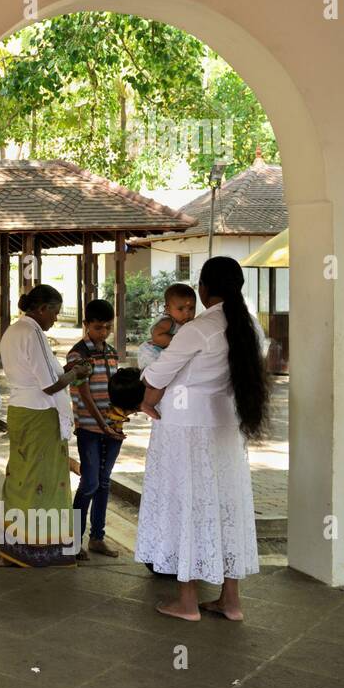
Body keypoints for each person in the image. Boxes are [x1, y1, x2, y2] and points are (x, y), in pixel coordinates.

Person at [136, 256, 269, 621]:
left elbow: (159, 372)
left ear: (205, 288)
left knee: (187, 504)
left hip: (184, 430)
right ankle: (231, 601)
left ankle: (188, 601)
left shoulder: (200, 328)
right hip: (226, 428)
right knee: (225, 507)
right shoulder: (250, 327)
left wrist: (147, 394)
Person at [0, 284, 93, 568]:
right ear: (41, 309)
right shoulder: (33, 332)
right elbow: (50, 385)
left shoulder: (12, 331)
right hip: (40, 415)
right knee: (46, 482)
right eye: (54, 312)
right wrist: (76, 372)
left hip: (20, 411)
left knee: (21, 479)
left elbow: (40, 375)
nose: (56, 319)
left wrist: (68, 373)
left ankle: (14, 549)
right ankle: (43, 550)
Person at [68, 299, 123, 560]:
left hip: (113, 427)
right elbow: (84, 394)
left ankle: (97, 538)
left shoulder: (111, 352)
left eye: (108, 327)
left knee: (103, 483)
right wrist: (103, 424)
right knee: (89, 483)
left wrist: (121, 416)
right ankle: (73, 541)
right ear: (86, 325)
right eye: (99, 327)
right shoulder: (78, 355)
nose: (104, 332)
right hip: (90, 428)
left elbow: (116, 389)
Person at [136, 283, 197, 370]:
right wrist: (178, 340)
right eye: (180, 309)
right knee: (157, 373)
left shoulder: (186, 323)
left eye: (191, 308)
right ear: (167, 309)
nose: (187, 313)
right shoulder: (168, 321)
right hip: (151, 352)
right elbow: (156, 336)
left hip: (161, 352)